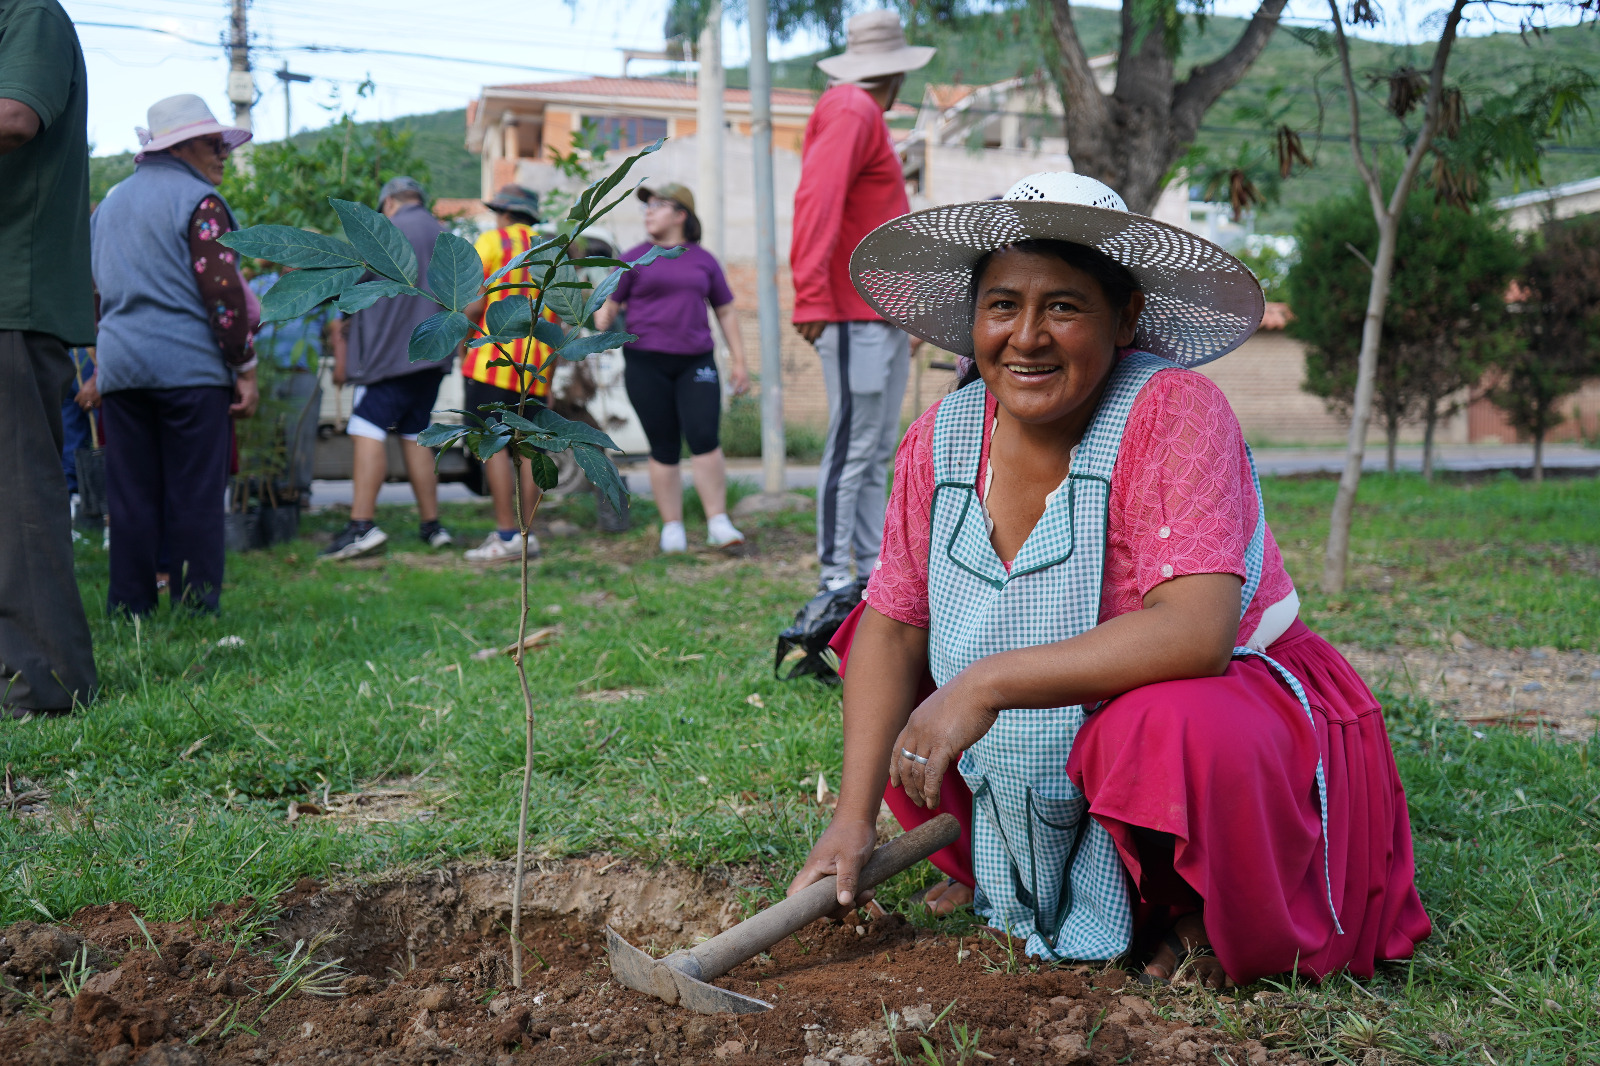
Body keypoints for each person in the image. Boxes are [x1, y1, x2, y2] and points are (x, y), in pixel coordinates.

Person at [790, 173, 1432, 988]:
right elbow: (893, 622)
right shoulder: (941, 438)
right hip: (1059, 717)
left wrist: (983, 684)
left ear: (1125, 317)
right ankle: (1009, 860)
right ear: (972, 319)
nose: (1027, 337)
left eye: (1064, 306)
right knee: (875, 640)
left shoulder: (1173, 411)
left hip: (1228, 712)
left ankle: (1186, 903)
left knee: (1164, 723)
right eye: (1001, 306)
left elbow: (1196, 636)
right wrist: (852, 823)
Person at [91, 93, 258, 616]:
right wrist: (244, 366)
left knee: (131, 497)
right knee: (195, 494)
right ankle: (194, 603)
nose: (222, 153)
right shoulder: (200, 201)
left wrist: (101, 362)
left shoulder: (110, 204)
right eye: (214, 143)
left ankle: (130, 606)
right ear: (183, 146)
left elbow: (94, 292)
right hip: (189, 371)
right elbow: (224, 294)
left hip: (121, 371)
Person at [791, 9, 933, 594]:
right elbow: (816, 200)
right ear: (896, 72)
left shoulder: (861, 111)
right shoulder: (852, 108)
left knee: (873, 449)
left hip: (874, 312)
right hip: (850, 314)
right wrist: (811, 297)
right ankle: (831, 580)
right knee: (854, 446)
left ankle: (873, 577)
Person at [0, 0, 98, 715]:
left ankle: (47, 681)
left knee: (17, 500)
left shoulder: (27, 10)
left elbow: (14, 116)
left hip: (11, 297)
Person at [594, 182, 750, 554]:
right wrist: (602, 315)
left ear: (681, 215)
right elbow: (607, 309)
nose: (648, 210)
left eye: (658, 204)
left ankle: (717, 522)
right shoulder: (632, 258)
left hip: (696, 361)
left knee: (704, 438)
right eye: (646, 205)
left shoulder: (703, 260)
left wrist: (740, 362)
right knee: (663, 446)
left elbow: (725, 310)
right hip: (646, 363)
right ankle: (672, 528)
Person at [323, 176, 455, 560]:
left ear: (389, 204)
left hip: (391, 356)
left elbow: (349, 282)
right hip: (434, 355)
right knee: (416, 432)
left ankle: (361, 526)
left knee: (365, 425)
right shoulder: (446, 235)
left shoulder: (385, 232)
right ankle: (433, 526)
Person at [459, 184, 557, 563]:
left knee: (494, 446)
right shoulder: (549, 250)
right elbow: (559, 317)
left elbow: (475, 301)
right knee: (530, 450)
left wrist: (463, 338)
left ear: (502, 212)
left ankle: (504, 533)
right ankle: (524, 536)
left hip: (493, 361)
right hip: (537, 365)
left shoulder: (493, 240)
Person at [248, 267, 331, 502]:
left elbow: (334, 327)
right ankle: (258, 491)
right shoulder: (260, 285)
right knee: (260, 433)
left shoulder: (320, 285)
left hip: (302, 370)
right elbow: (246, 320)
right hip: (264, 372)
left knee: (301, 433)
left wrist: (342, 365)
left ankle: (297, 492)